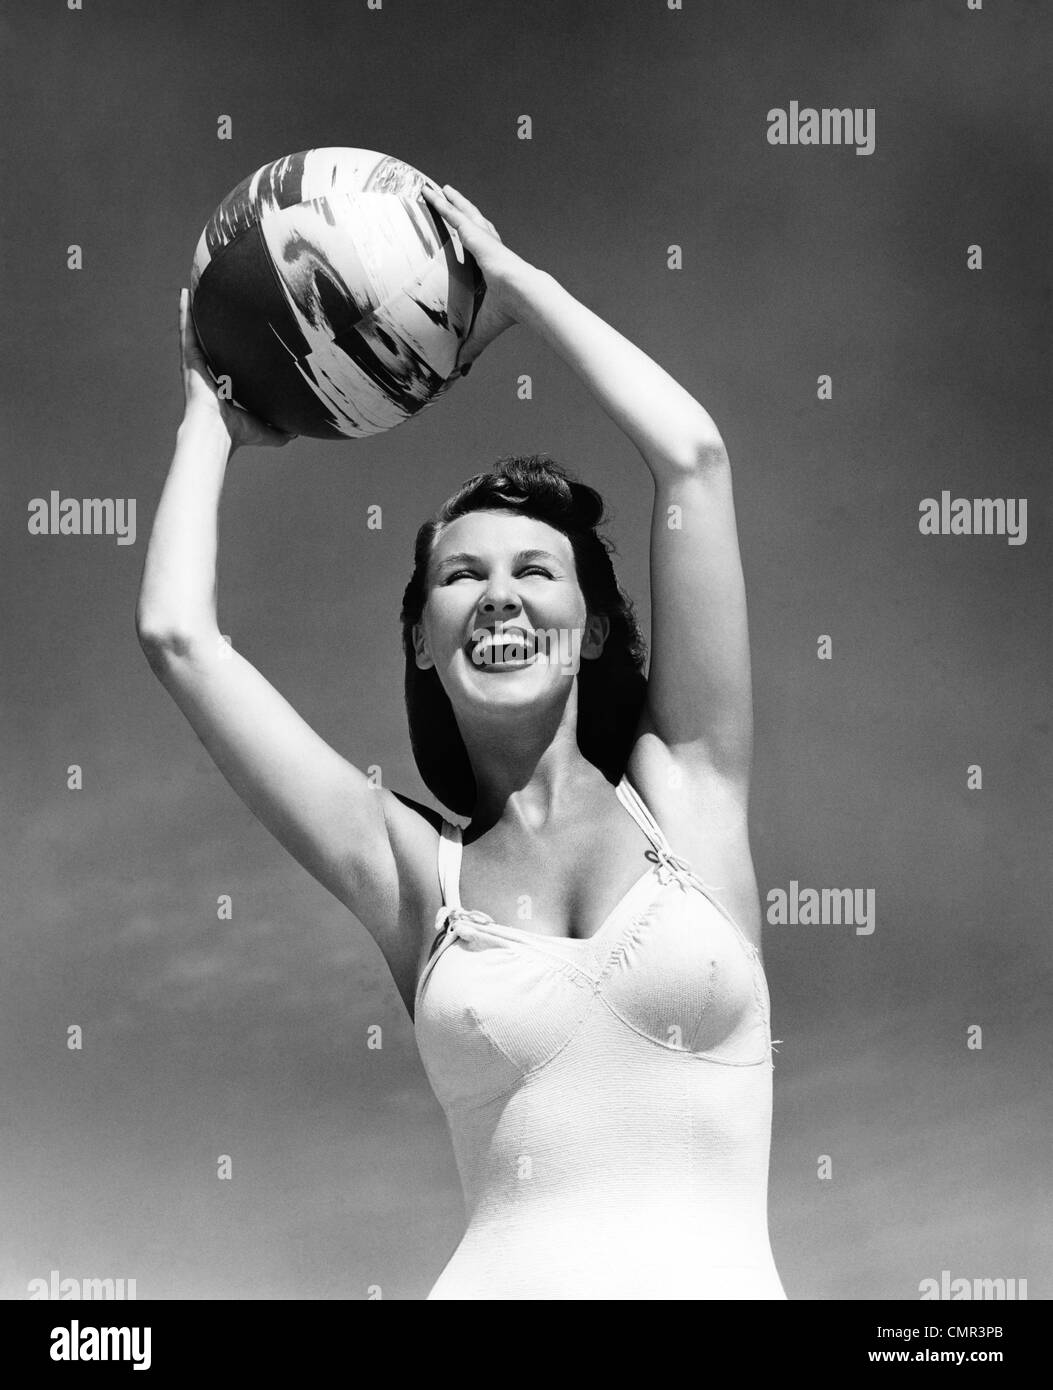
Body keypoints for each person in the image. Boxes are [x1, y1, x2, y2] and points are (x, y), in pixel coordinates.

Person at [136, 182, 786, 1300]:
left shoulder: (689, 794)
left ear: (588, 633)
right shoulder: (412, 880)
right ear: (424, 643)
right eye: (459, 577)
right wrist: (211, 411)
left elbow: (694, 459)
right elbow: (179, 636)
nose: (499, 598)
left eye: (537, 573)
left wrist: (518, 288)